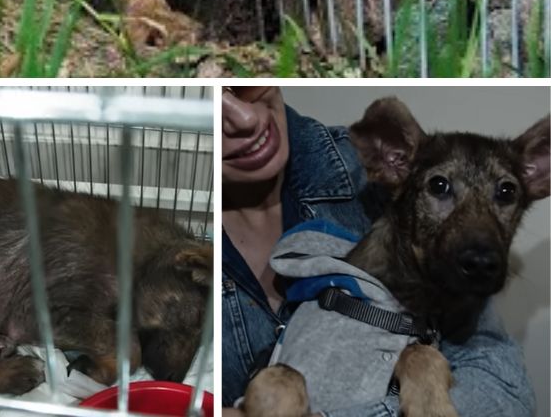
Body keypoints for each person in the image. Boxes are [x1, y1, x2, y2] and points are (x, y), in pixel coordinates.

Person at [221, 86, 536, 417]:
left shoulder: (359, 171)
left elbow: (502, 385)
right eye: (440, 187)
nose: (244, 118)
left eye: (242, 88)